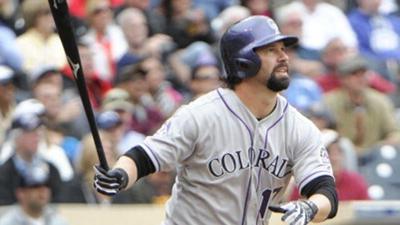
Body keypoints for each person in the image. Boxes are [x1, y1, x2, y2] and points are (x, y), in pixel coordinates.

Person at [94, 15, 338, 225]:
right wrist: (120, 175)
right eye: (271, 50)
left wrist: (310, 208)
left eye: (283, 49)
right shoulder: (202, 114)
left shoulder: (298, 127)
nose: (284, 57)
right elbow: (145, 156)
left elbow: (325, 191)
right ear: (244, 61)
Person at [289, 129, 369, 201]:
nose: (335, 158)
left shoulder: (355, 182)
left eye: (339, 151)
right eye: (329, 152)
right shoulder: (305, 183)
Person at [0, 151, 69, 225]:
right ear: (20, 193)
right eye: (35, 186)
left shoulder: (58, 221)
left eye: (47, 185)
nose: (43, 190)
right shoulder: (8, 222)